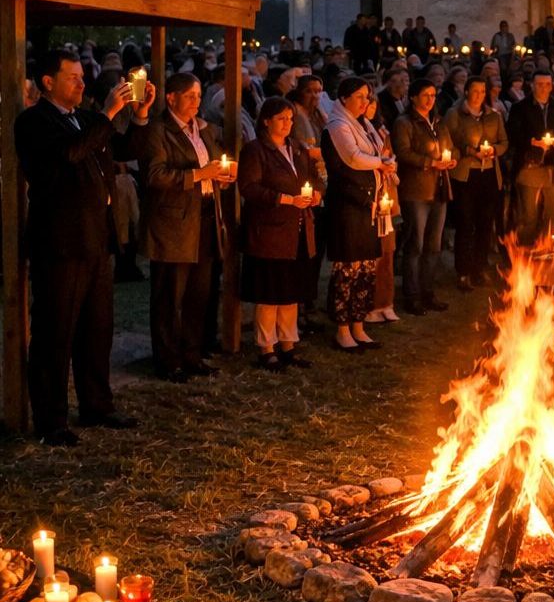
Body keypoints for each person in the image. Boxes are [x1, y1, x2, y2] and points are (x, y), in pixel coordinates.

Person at [15, 49, 153, 446]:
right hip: (61, 242)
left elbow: (125, 150)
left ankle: (97, 404)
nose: (81, 82)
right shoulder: (35, 122)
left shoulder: (86, 119)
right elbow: (70, 153)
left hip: (96, 239)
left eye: (81, 75)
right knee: (55, 331)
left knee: (97, 328)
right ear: (48, 82)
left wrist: (140, 115)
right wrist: (108, 113)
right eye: (72, 77)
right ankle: (51, 419)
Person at [140, 73, 235, 383]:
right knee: (170, 295)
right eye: (190, 96)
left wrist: (222, 175)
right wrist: (198, 175)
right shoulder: (159, 131)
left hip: (205, 216)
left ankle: (192, 354)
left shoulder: (202, 129)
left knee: (199, 292)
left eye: (198, 96)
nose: (196, 102)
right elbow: (155, 175)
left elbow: (213, 164)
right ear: (171, 98)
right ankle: (168, 360)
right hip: (174, 222)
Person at [238, 97, 323, 372]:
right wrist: (285, 199)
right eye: (281, 119)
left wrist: (316, 193)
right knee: (270, 292)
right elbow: (248, 187)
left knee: (291, 291)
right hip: (270, 233)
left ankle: (288, 344)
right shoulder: (255, 151)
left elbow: (315, 178)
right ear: (266, 121)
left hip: (297, 231)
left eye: (290, 118)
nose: (287, 123)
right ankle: (266, 347)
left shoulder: (296, 148)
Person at [322, 78, 396, 350]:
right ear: (344, 99)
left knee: (366, 267)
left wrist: (386, 164)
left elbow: (380, 153)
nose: (366, 102)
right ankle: (342, 328)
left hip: (368, 206)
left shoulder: (364, 125)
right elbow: (351, 159)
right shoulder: (337, 127)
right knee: (348, 268)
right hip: (348, 207)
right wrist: (381, 164)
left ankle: (358, 324)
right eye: (359, 97)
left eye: (367, 97)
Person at [393, 79, 458, 314]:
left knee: (434, 244)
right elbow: (403, 152)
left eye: (433, 95)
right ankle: (411, 295)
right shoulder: (404, 123)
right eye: (425, 95)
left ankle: (428, 291)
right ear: (413, 97)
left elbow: (451, 147)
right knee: (416, 244)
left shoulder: (438, 122)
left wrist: (451, 159)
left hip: (438, 190)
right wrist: (430, 162)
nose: (430, 100)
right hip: (416, 191)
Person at [444, 76, 509, 291]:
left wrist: (493, 151)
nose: (479, 95)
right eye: (475, 91)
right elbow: (451, 141)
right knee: (465, 224)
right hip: (465, 176)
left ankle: (479, 268)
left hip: (488, 174)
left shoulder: (493, 116)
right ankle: (463, 271)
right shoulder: (455, 114)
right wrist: (471, 151)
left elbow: (504, 142)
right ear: (466, 92)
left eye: (482, 91)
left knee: (485, 223)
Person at [507, 71, 554, 243]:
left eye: (547, 84)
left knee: (552, 215)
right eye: (540, 84)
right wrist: (532, 142)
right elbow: (512, 134)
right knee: (529, 215)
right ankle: (525, 251)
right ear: (532, 85)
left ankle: (547, 248)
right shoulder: (520, 108)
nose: (544, 88)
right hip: (530, 167)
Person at [362, 90, 401, 324]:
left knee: (388, 252)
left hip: (387, 196)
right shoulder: (358, 134)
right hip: (371, 198)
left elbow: (390, 156)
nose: (371, 108)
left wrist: (390, 164)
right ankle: (371, 304)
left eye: (373, 105)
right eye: (367, 104)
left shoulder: (382, 132)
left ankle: (387, 302)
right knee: (372, 254)